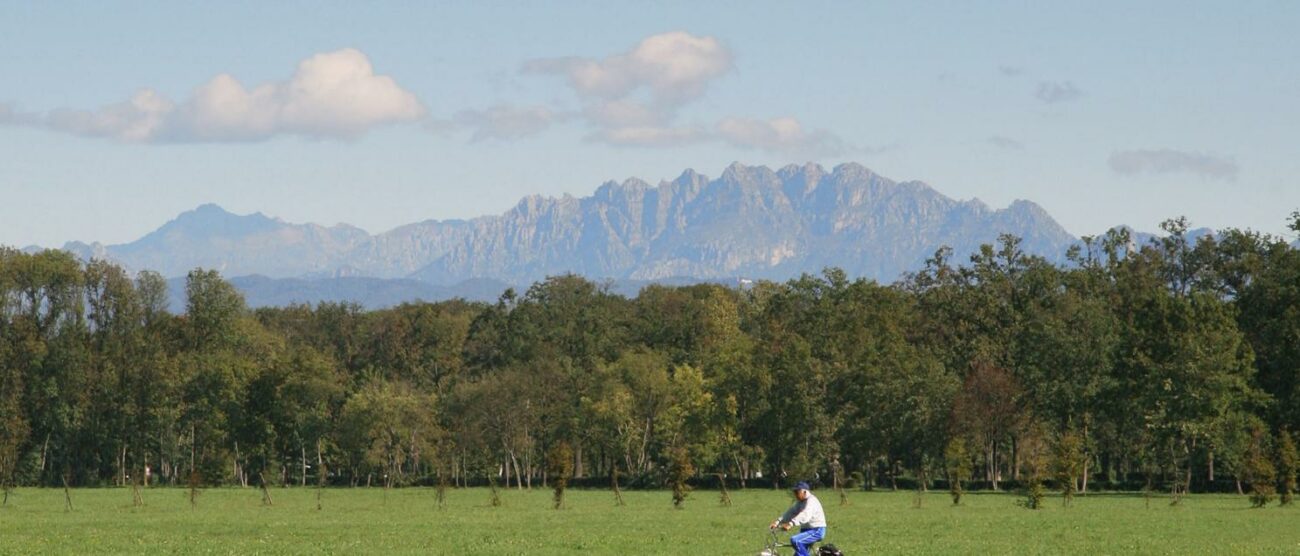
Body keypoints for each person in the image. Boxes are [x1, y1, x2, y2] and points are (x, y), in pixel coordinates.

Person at [769, 481, 826, 556]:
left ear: (805, 492)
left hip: (816, 530)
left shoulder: (811, 501)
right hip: (806, 530)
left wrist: (790, 523)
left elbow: (805, 515)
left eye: (797, 492)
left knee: (795, 540)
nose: (795, 494)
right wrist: (777, 522)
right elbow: (790, 513)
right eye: (794, 492)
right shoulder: (800, 502)